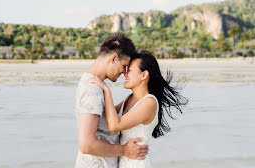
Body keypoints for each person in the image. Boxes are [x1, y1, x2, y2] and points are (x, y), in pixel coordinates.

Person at [88, 50, 188, 168]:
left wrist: (106, 90)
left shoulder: (149, 103)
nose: (125, 74)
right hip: (123, 162)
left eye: (129, 70)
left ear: (144, 75)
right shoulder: (130, 98)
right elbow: (108, 115)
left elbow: (114, 125)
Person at [75, 33, 149, 168]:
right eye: (124, 65)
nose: (124, 72)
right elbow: (86, 144)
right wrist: (125, 150)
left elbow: (107, 118)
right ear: (114, 58)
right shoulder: (93, 89)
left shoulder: (92, 83)